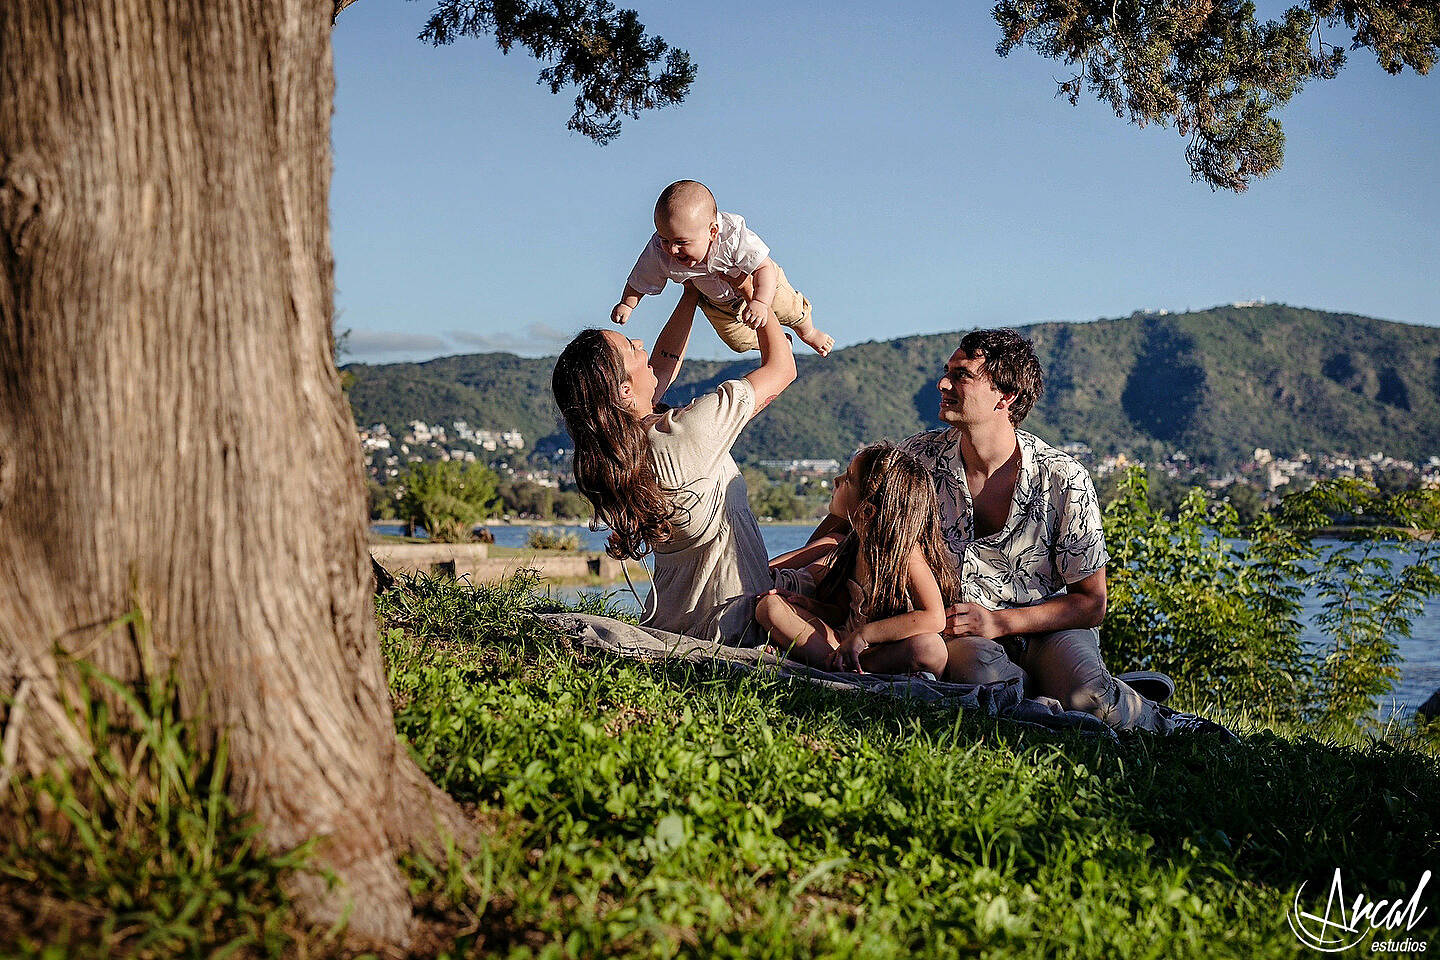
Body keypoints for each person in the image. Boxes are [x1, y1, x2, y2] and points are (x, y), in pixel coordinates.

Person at [552, 285, 796, 645]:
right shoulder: (685, 433)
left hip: (670, 623)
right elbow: (782, 368)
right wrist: (754, 292)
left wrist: (692, 293)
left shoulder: (620, 456)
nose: (640, 343)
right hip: (730, 627)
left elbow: (661, 366)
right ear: (624, 391)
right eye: (631, 347)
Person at [754, 444, 952, 676]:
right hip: (841, 641)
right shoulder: (854, 545)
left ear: (867, 511)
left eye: (848, 479)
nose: (836, 480)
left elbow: (934, 618)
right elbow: (841, 613)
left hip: (881, 650)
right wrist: (809, 606)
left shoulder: (907, 555)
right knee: (769, 607)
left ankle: (836, 664)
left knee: (929, 648)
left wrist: (865, 635)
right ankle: (838, 663)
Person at [610, 179, 835, 357]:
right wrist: (627, 304)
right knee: (737, 341)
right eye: (665, 240)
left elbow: (764, 268)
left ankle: (809, 332)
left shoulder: (733, 237)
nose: (672, 249)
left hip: (761, 286)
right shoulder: (660, 250)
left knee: (789, 309)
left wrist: (759, 302)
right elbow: (641, 277)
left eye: (681, 242)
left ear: (712, 232)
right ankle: (776, 342)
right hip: (718, 304)